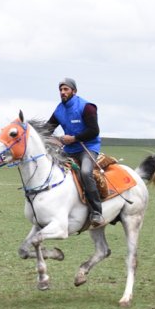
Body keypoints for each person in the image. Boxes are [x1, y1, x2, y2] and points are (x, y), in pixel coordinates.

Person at [46, 77, 103, 227]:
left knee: (85, 172)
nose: (62, 92)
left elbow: (94, 131)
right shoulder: (59, 110)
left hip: (88, 147)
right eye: (61, 90)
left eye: (66, 89)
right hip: (69, 149)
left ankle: (97, 211)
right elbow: (47, 129)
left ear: (74, 91)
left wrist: (74, 138)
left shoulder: (86, 107)